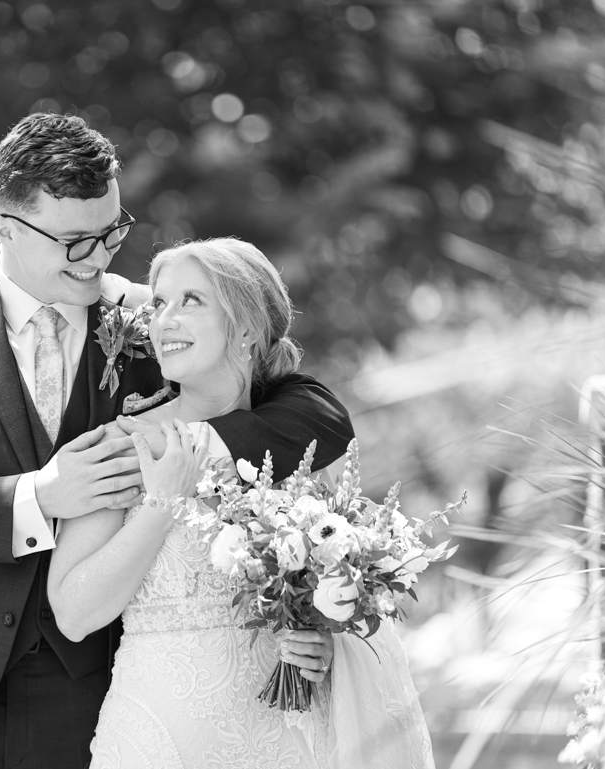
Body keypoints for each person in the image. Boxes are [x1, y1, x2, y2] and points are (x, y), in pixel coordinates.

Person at [0, 113, 355, 769]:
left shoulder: (161, 319)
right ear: (6, 226)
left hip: (92, 693)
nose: (99, 256)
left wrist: (166, 443)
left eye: (111, 231)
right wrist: (41, 496)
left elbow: (318, 415)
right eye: (74, 241)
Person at [49, 238, 436, 769]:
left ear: (249, 328)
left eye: (192, 301)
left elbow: (317, 585)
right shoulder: (119, 446)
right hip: (164, 731)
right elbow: (72, 613)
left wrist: (318, 640)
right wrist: (164, 502)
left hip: (291, 732)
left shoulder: (291, 446)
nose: (165, 320)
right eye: (160, 304)